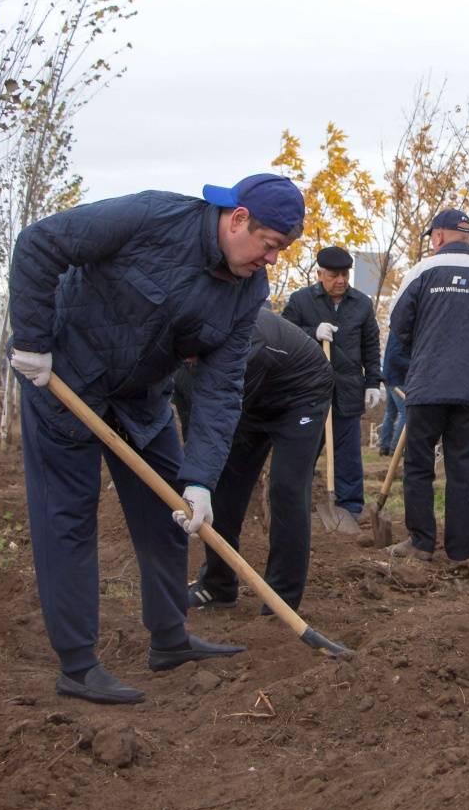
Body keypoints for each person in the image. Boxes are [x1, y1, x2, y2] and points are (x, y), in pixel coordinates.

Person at [7, 174, 304, 705]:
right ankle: (77, 665)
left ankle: (169, 639)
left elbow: (221, 387)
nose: (273, 260)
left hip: (142, 402)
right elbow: (39, 243)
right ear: (239, 220)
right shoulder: (150, 218)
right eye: (271, 245)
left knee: (172, 513)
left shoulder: (248, 290)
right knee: (68, 522)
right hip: (64, 384)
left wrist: (201, 480)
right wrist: (32, 340)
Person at [175, 306, 333, 613]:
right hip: (247, 399)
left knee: (286, 489)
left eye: (195, 356)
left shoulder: (247, 344)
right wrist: (196, 484)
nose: (189, 362)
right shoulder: (180, 360)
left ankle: (281, 599)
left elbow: (222, 416)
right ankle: (218, 585)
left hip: (301, 394)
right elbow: (195, 425)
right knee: (221, 490)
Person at [385, 209, 469, 571]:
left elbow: (399, 325)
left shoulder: (421, 272)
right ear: (468, 236)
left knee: (419, 465)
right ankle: (463, 553)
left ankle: (422, 542)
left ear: (439, 236)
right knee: (467, 469)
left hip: (428, 384)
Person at [281, 245, 382, 520]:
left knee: (348, 453)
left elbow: (371, 345)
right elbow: (282, 335)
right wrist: (312, 332)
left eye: (345, 275)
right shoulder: (301, 301)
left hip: (348, 389)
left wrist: (373, 381)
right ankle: (293, 504)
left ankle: (349, 506)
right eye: (334, 275)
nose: (340, 281)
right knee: (303, 450)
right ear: (319, 274)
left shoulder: (361, 303)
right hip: (309, 391)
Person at [378, 331, 409, 456]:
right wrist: (414, 364)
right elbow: (395, 357)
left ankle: (384, 447)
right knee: (405, 412)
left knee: (390, 412)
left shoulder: (396, 330)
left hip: (389, 376)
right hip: (397, 378)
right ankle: (396, 448)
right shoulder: (401, 333)